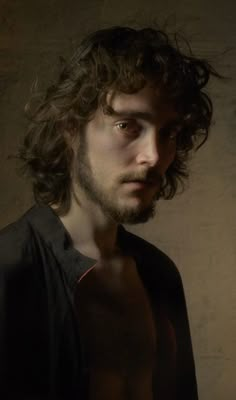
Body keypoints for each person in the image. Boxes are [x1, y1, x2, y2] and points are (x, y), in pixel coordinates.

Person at [0, 26, 220, 399]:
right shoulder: (10, 270)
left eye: (167, 133)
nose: (152, 155)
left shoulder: (159, 275)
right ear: (71, 129)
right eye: (127, 126)